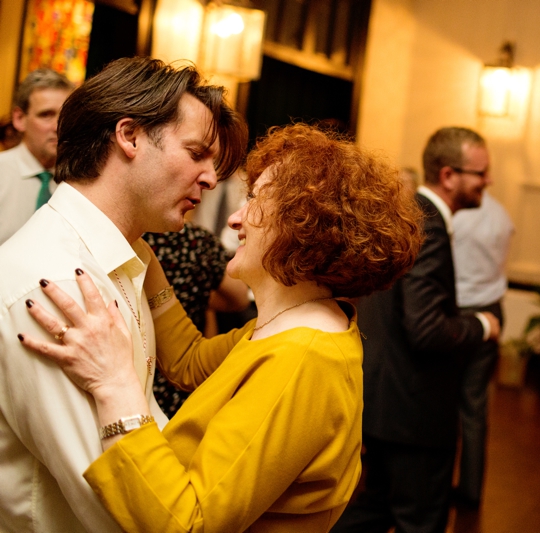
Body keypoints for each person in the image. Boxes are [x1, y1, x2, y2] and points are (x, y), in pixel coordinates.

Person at [19, 123, 423, 532]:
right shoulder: (294, 325)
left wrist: (114, 385)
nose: (235, 219)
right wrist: (137, 250)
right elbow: (190, 361)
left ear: (304, 226)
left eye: (254, 200)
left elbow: (188, 524)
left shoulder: (303, 357)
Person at [0, 57, 247, 532]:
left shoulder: (119, 262)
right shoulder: (59, 284)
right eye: (197, 153)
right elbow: (112, 505)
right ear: (129, 136)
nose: (212, 178)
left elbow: (148, 429)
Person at [333, 126, 501, 533]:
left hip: (387, 405)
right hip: (414, 414)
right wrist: (482, 325)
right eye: (480, 173)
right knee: (419, 521)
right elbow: (426, 329)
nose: (487, 181)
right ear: (448, 175)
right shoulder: (431, 225)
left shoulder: (411, 213)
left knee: (374, 510)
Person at [143, 221, 249, 417]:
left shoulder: (276, 339)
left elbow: (187, 363)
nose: (234, 218)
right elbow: (187, 362)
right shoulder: (195, 240)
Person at [451, 190, 514, 508]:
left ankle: (438, 483)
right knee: (474, 406)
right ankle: (471, 490)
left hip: (462, 312)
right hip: (493, 307)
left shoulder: (457, 216)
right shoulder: (502, 214)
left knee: (445, 401)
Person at [0, 68, 73, 244]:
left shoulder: (82, 182)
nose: (58, 126)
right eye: (46, 115)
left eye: (66, 115)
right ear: (19, 119)